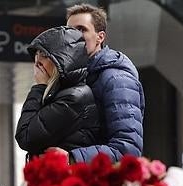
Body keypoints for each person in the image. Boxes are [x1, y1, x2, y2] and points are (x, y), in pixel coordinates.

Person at [46, 3, 144, 163]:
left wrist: (72, 158)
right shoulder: (73, 78)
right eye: (69, 31)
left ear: (100, 37)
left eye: (82, 29)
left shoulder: (117, 80)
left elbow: (128, 149)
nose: (74, 36)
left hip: (103, 183)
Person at [15, 26, 101, 160]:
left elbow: (25, 136)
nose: (37, 62)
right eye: (36, 56)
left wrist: (40, 87)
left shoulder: (73, 98)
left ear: (62, 60)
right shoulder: (62, 93)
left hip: (64, 177)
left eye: (44, 56)